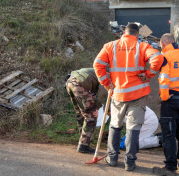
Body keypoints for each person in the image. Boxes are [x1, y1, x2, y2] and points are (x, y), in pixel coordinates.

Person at [94, 23, 163, 171]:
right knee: (133, 128)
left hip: (118, 94)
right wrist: (149, 74)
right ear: (137, 34)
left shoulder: (110, 46)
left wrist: (107, 84)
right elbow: (158, 58)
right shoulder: (142, 46)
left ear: (123, 33)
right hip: (138, 95)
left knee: (115, 125)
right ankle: (130, 162)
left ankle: (112, 158)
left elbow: (97, 65)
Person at [153, 33, 179, 176]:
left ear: (163, 44)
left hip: (171, 100)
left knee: (169, 135)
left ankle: (170, 168)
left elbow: (164, 79)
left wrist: (164, 97)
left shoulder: (165, 57)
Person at [66, 68, 108, 154]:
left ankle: (82, 140)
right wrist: (96, 107)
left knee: (80, 113)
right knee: (91, 116)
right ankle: (84, 146)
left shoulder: (95, 71)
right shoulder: (107, 76)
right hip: (79, 85)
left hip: (69, 83)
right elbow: (103, 92)